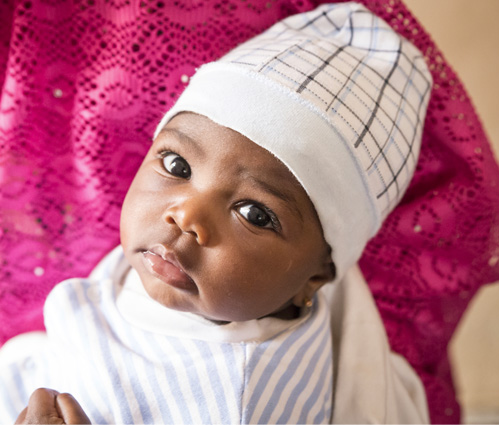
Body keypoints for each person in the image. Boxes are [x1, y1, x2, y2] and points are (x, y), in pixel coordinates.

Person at [1, 3, 434, 424]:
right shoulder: (190, 281)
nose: (186, 214)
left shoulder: (237, 399)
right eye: (176, 166)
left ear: (315, 278)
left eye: (254, 214)